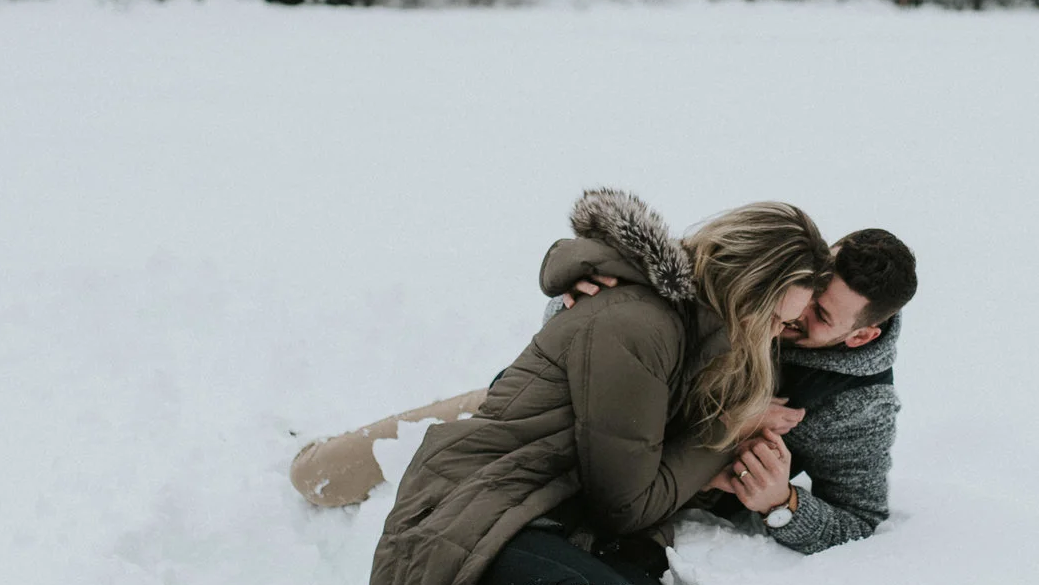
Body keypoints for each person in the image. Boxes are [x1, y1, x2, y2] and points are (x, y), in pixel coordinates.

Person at [245, 190, 835, 585]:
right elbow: (625, 503)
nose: (784, 337)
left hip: (534, 516)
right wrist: (723, 435)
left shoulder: (685, 335)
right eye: (782, 319)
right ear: (748, 291)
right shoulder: (642, 325)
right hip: (473, 514)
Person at [286, 228, 919, 553]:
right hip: (572, 406)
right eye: (809, 287)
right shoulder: (770, 268)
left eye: (818, 320)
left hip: (654, 483)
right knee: (320, 475)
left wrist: (783, 503)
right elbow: (608, 288)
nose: (797, 311)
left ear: (861, 337)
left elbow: (860, 520)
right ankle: (310, 451)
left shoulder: (858, 405)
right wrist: (584, 306)